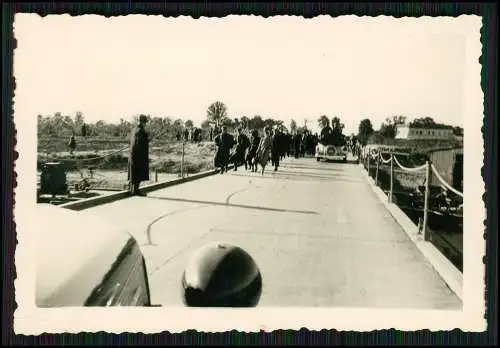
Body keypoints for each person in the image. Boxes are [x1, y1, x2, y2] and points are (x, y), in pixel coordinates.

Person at [128, 114, 150, 196]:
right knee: (138, 173)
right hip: (139, 155)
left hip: (133, 154)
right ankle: (135, 190)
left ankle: (134, 190)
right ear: (142, 122)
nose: (145, 124)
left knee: (134, 173)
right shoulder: (141, 131)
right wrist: (147, 139)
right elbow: (141, 144)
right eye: (145, 122)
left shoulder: (134, 129)